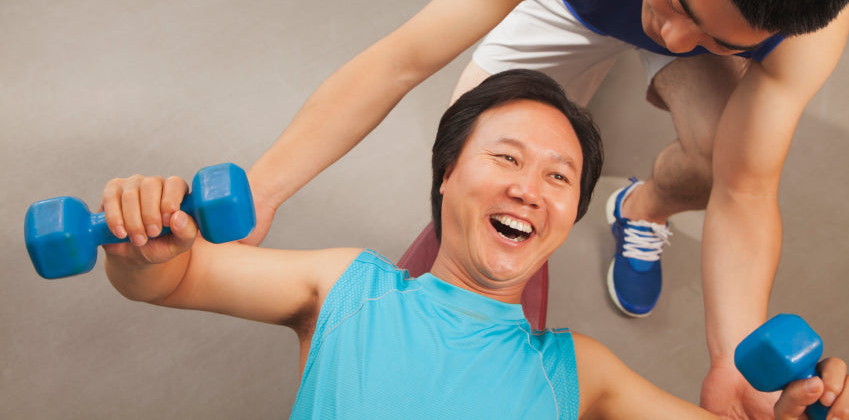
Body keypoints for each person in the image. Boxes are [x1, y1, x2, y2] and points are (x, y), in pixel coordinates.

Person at [109, 0, 848, 417]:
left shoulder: (797, 26)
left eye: (713, 36)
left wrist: (730, 355)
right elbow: (400, 61)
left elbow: (746, 187)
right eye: (677, 3)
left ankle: (640, 209)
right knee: (481, 144)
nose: (673, 36)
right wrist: (266, 187)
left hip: (703, 9)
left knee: (718, 163)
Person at [99, 70, 847, 420]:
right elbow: (170, 277)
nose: (531, 186)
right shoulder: (342, 287)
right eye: (507, 158)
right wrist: (147, 245)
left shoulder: (581, 372)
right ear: (447, 174)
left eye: (560, 176)